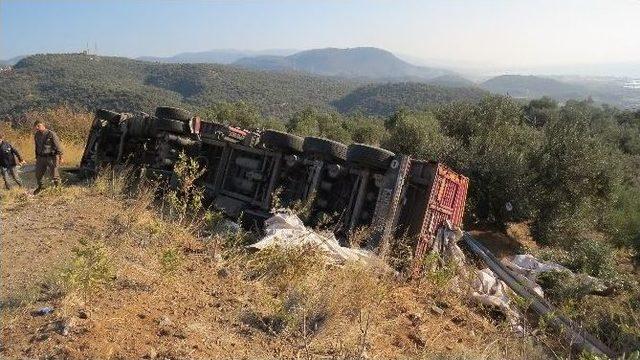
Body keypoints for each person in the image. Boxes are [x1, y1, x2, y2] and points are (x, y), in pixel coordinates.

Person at [33, 120, 64, 194]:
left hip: (51, 157)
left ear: (43, 125)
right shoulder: (36, 134)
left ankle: (58, 189)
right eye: (36, 126)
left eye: (39, 126)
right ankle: (41, 187)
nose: (37, 127)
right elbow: (37, 146)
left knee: (55, 175)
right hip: (41, 157)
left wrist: (61, 157)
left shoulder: (51, 134)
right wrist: (37, 156)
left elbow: (58, 146)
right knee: (38, 174)